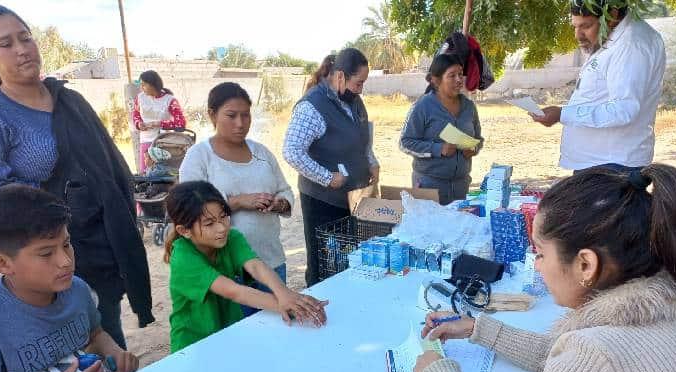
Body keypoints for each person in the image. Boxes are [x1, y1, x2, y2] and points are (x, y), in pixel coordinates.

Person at [413, 164, 676, 372]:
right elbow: (567, 361)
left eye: (541, 253)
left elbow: (590, 369)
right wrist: (478, 329)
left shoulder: (598, 358)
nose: (537, 265)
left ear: (585, 265)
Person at [0, 3, 155, 350]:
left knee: (107, 335)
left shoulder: (70, 101)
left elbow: (110, 170)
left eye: (25, 38)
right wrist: (57, 215)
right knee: (68, 359)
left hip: (100, 247)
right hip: (47, 257)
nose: (22, 49)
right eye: (6, 43)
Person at [0, 185, 140, 372]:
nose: (65, 261)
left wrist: (113, 350)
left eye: (67, 244)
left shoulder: (76, 290)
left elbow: (95, 333)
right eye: (46, 253)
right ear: (2, 263)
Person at [163, 181, 329, 352]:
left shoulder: (231, 237)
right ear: (184, 231)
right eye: (209, 224)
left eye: (223, 217)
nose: (221, 228)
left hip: (228, 330)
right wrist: (287, 304)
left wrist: (285, 294)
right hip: (193, 343)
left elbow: (256, 266)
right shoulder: (183, 257)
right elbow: (234, 291)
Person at [179, 82, 293, 315]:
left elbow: (285, 190)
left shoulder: (261, 153)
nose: (240, 124)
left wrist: (280, 203)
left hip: (270, 260)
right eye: (231, 116)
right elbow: (190, 209)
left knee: (276, 332)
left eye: (246, 116)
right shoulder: (199, 157)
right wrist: (238, 202)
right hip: (227, 271)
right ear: (212, 115)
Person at [531, 0, 666, 173]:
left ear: (613, 14)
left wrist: (562, 114)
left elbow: (623, 110)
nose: (578, 35)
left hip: (612, 164)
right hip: (598, 162)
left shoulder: (631, 45)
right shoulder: (614, 36)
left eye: (586, 26)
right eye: (575, 26)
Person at [283, 48, 379, 287]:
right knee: (323, 260)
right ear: (340, 77)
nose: (361, 89)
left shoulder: (354, 102)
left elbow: (363, 139)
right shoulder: (312, 106)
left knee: (347, 258)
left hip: (353, 198)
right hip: (323, 202)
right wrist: (326, 177)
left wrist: (371, 161)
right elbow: (292, 151)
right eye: (358, 83)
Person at [399, 54, 483, 205]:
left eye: (460, 74)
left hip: (461, 187)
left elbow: (479, 139)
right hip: (429, 186)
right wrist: (438, 148)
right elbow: (405, 143)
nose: (459, 80)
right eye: (452, 75)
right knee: (431, 228)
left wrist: (474, 148)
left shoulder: (469, 107)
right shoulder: (423, 106)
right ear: (437, 80)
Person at [132, 70, 186, 173]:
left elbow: (181, 123)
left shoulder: (170, 100)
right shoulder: (140, 98)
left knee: (163, 173)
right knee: (146, 173)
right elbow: (136, 114)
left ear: (153, 84)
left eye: (144, 85)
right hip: (146, 140)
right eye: (141, 85)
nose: (141, 88)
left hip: (165, 142)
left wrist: (160, 124)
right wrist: (139, 124)